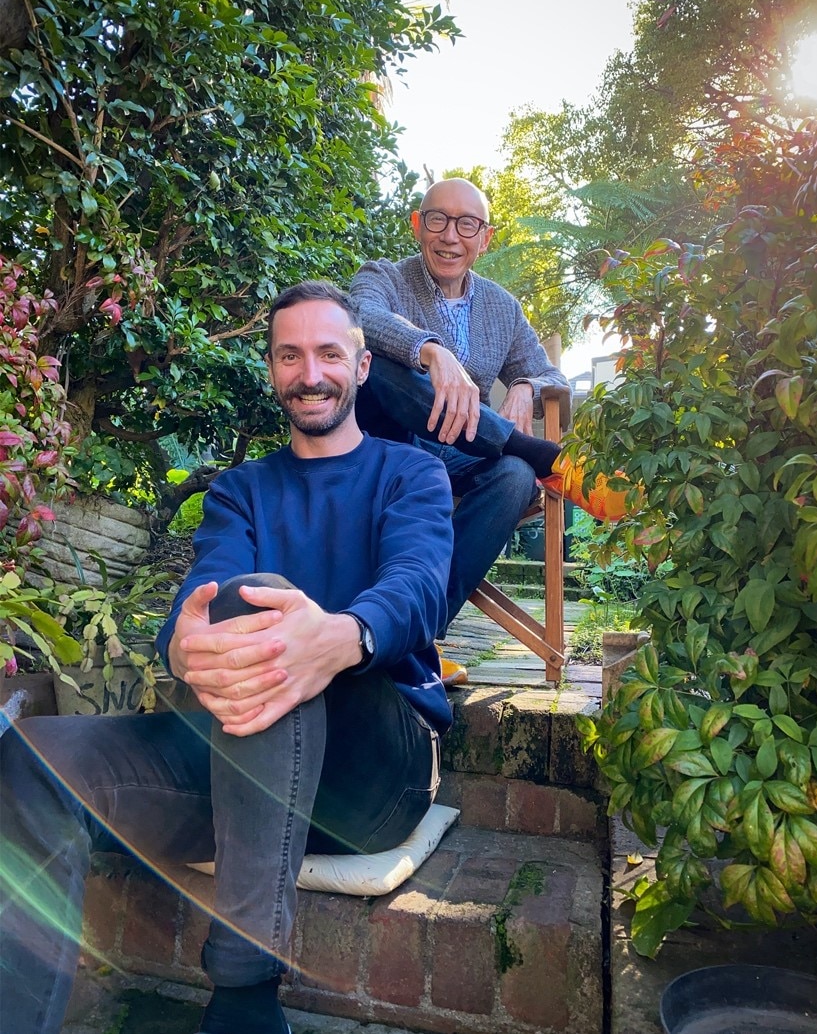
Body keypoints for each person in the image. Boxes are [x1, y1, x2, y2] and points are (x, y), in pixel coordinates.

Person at [0, 281, 454, 1034]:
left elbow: (417, 590)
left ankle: (244, 997)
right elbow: (202, 594)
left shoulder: (411, 475)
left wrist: (332, 638)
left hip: (373, 772)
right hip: (241, 768)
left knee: (274, 619)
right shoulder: (242, 490)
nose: (310, 372)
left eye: (328, 353)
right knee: (31, 756)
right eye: (290, 355)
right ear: (273, 368)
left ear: (363, 366)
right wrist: (182, 641)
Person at [350, 177, 574, 641]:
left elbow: (555, 379)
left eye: (467, 224)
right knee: (380, 362)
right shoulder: (384, 276)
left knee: (514, 476)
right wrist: (430, 351)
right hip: (392, 448)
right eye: (438, 220)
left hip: (460, 450)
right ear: (417, 225)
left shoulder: (502, 307)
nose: (450, 236)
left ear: (485, 238)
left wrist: (527, 385)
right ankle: (539, 454)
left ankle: (415, 632)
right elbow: (361, 319)